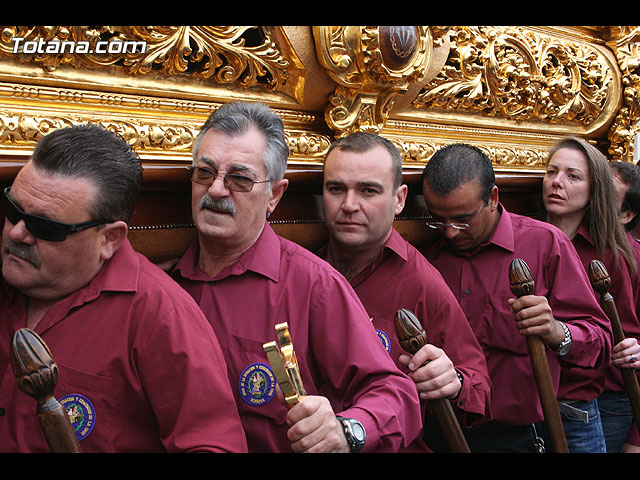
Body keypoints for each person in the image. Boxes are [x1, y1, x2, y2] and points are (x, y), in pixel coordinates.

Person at [170, 101, 423, 453]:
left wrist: (346, 430)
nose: (215, 190)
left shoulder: (314, 285)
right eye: (204, 173)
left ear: (274, 194)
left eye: (239, 179)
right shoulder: (165, 288)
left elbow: (396, 394)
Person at [0, 124, 247, 453]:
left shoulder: (162, 317)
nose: (17, 233)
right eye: (12, 211)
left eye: (45, 226)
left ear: (109, 239)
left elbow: (213, 446)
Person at [420, 142, 612, 453]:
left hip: (518, 436)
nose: (450, 232)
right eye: (438, 219)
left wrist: (556, 331)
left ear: (493, 198)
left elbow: (601, 340)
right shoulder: (426, 258)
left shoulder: (545, 244)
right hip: (441, 431)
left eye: (462, 220)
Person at [317, 131, 492, 452]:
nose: (349, 205)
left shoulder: (422, 281)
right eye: (336, 189)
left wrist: (454, 383)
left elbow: (479, 388)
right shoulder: (304, 270)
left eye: (369, 191)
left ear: (399, 200)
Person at [543, 137, 640, 453]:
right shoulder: (527, 237)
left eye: (572, 176)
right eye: (551, 171)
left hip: (592, 402)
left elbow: (625, 340)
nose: (557, 182)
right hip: (529, 403)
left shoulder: (611, 254)